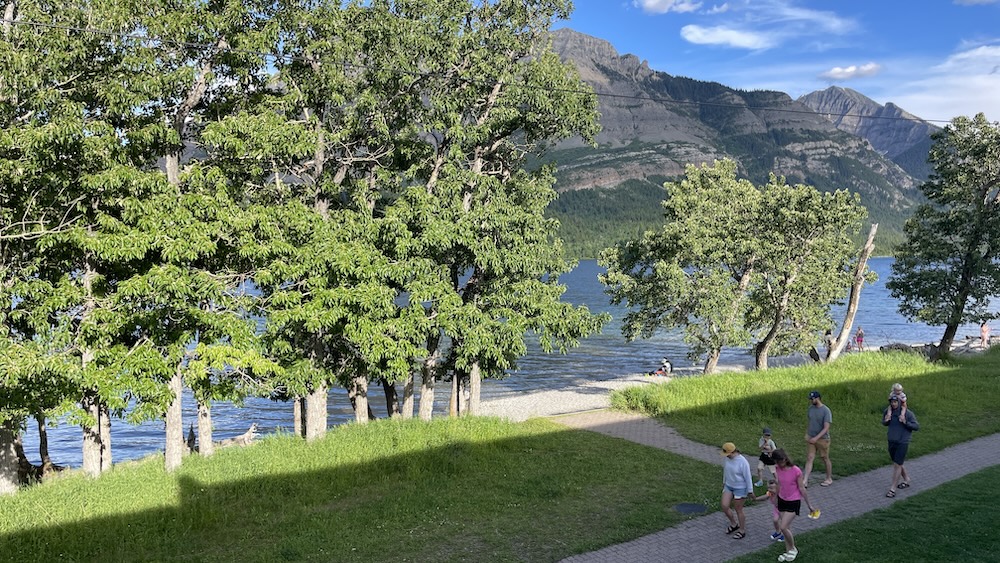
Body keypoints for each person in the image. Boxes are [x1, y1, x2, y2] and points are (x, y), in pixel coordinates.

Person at [771, 449, 817, 562]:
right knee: (787, 528)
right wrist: (776, 497)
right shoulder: (777, 469)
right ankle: (788, 552)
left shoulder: (796, 471)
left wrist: (809, 505)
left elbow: (801, 488)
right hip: (782, 500)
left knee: (783, 527)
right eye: (776, 462)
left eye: (779, 461)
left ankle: (793, 549)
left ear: (785, 459)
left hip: (793, 501)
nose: (778, 464)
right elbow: (779, 485)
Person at [883, 395, 920, 498]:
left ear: (899, 402)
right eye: (892, 402)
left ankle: (892, 489)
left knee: (897, 465)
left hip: (902, 442)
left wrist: (905, 422)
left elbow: (916, 426)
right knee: (897, 462)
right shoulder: (888, 412)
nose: (893, 404)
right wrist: (886, 420)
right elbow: (884, 422)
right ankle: (906, 479)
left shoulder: (908, 413)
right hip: (891, 441)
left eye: (895, 402)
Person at [720, 442, 755, 539]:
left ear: (732, 452)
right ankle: (734, 524)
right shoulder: (728, 459)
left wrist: (750, 490)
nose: (726, 456)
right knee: (724, 505)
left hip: (740, 488)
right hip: (729, 485)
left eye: (727, 454)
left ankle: (742, 530)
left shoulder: (742, 462)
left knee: (738, 509)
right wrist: (724, 481)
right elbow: (726, 470)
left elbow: (748, 477)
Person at [803, 390, 833, 487]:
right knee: (810, 457)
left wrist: (816, 438)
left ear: (818, 398)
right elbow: (810, 422)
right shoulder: (811, 409)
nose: (811, 401)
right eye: (810, 399)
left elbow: (826, 427)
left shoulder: (826, 411)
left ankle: (828, 478)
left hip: (823, 439)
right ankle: (805, 480)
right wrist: (808, 434)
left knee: (824, 458)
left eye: (812, 399)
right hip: (811, 438)